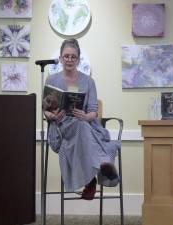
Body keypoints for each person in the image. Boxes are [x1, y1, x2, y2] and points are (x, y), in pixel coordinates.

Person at [43, 38, 121, 200]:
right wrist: (53, 115)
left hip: (84, 124)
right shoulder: (51, 80)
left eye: (73, 56)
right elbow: (46, 111)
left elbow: (93, 112)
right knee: (82, 126)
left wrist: (86, 116)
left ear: (78, 59)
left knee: (81, 124)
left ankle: (91, 181)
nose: (69, 59)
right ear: (60, 58)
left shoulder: (89, 81)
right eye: (66, 56)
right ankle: (102, 164)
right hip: (60, 128)